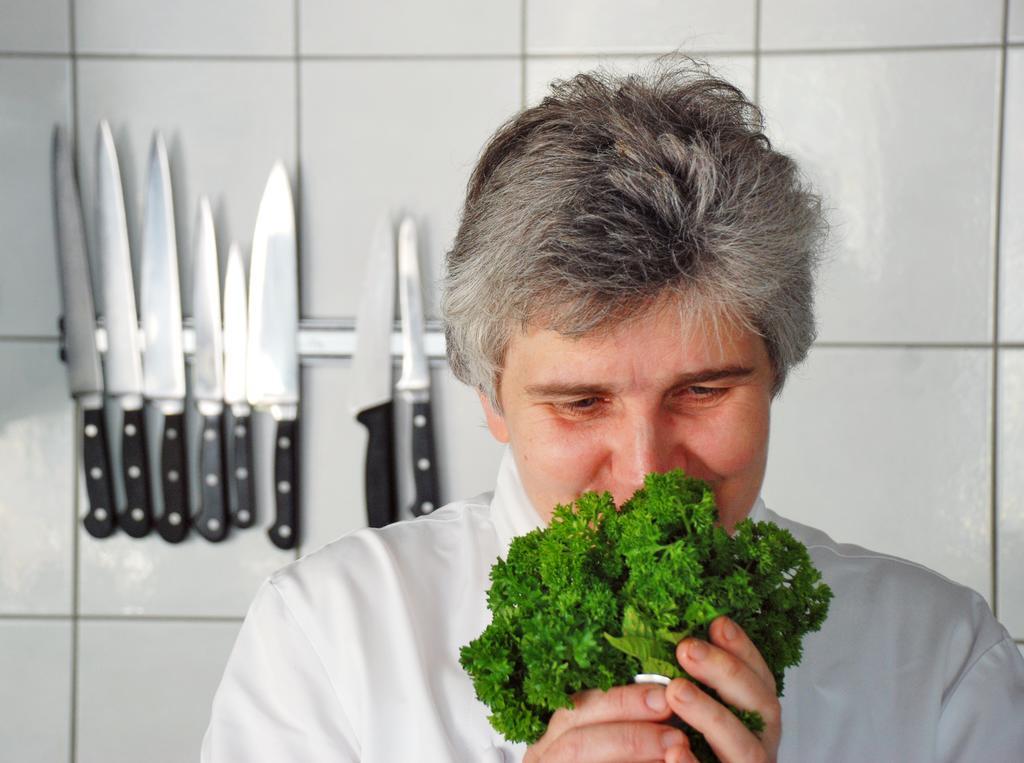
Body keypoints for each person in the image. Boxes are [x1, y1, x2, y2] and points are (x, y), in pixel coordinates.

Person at [201, 60, 1024, 762]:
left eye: (703, 390)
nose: (644, 469)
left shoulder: (942, 661)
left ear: (775, 372)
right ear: (492, 396)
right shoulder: (324, 639)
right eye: (581, 401)